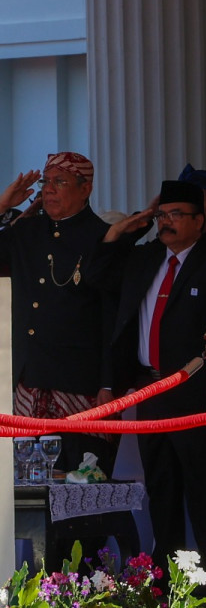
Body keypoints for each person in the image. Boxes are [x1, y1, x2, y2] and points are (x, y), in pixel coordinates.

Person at [104, 179, 206, 574]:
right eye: (161, 216)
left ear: (200, 220)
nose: (165, 224)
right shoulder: (147, 257)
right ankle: (168, 584)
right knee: (160, 490)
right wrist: (126, 230)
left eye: (175, 216)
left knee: (201, 493)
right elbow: (98, 275)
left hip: (196, 392)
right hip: (150, 388)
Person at [0, 153, 121, 483]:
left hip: (79, 383)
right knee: (28, 483)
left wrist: (107, 382)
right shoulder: (27, 231)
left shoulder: (103, 237)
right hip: (29, 376)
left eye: (60, 182)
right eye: (46, 182)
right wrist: (2, 204)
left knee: (78, 480)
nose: (49, 190)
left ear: (86, 189)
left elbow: (111, 318)